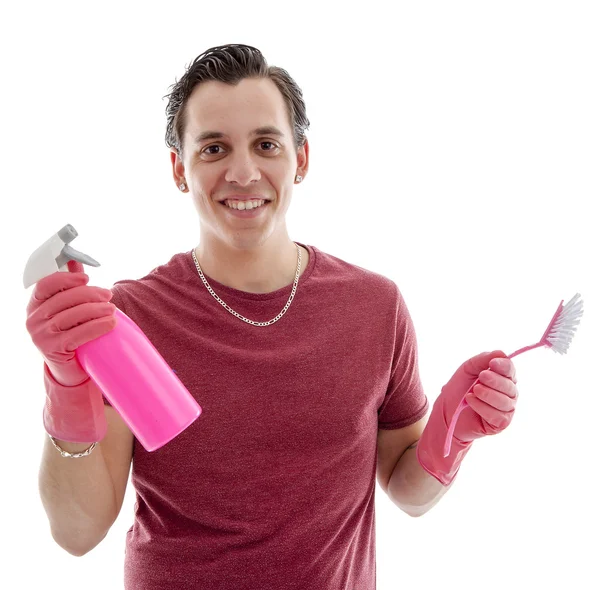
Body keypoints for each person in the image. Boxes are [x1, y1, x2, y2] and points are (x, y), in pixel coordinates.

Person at [26, 44, 519, 590]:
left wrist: (453, 433)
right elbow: (77, 532)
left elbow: (409, 492)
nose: (242, 172)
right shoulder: (131, 318)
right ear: (179, 169)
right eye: (213, 148)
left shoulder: (374, 307)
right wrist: (67, 388)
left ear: (300, 158)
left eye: (266, 144)